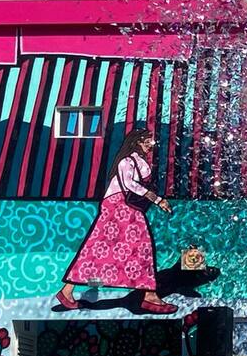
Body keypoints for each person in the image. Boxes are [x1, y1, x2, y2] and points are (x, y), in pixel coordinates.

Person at [54, 129, 178, 315]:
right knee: (130, 246)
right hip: (117, 205)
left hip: (124, 207)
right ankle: (149, 295)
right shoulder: (126, 161)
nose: (151, 145)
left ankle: (67, 291)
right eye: (147, 141)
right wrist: (157, 199)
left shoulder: (139, 161)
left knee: (105, 248)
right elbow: (129, 184)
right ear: (136, 142)